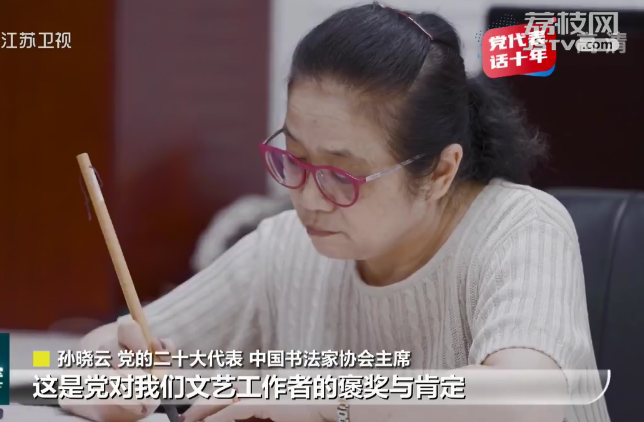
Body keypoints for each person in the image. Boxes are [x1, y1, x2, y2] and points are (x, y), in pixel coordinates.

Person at [61, 3, 610, 422]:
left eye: (342, 177)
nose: (307, 197)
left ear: (441, 172)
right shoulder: (286, 247)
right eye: (294, 158)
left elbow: (522, 401)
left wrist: (323, 398)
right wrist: (107, 380)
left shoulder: (520, 228)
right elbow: (89, 362)